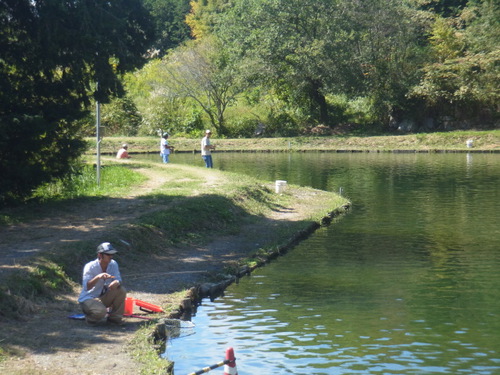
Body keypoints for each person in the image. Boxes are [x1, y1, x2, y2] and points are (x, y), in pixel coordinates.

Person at [78, 242, 127, 326]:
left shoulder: (113, 264)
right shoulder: (90, 266)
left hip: (102, 297)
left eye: (112, 254)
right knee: (101, 311)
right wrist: (98, 277)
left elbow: (119, 279)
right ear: (100, 255)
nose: (111, 257)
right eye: (108, 254)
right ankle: (90, 319)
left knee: (121, 290)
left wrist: (117, 282)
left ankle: (114, 319)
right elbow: (87, 287)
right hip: (88, 299)